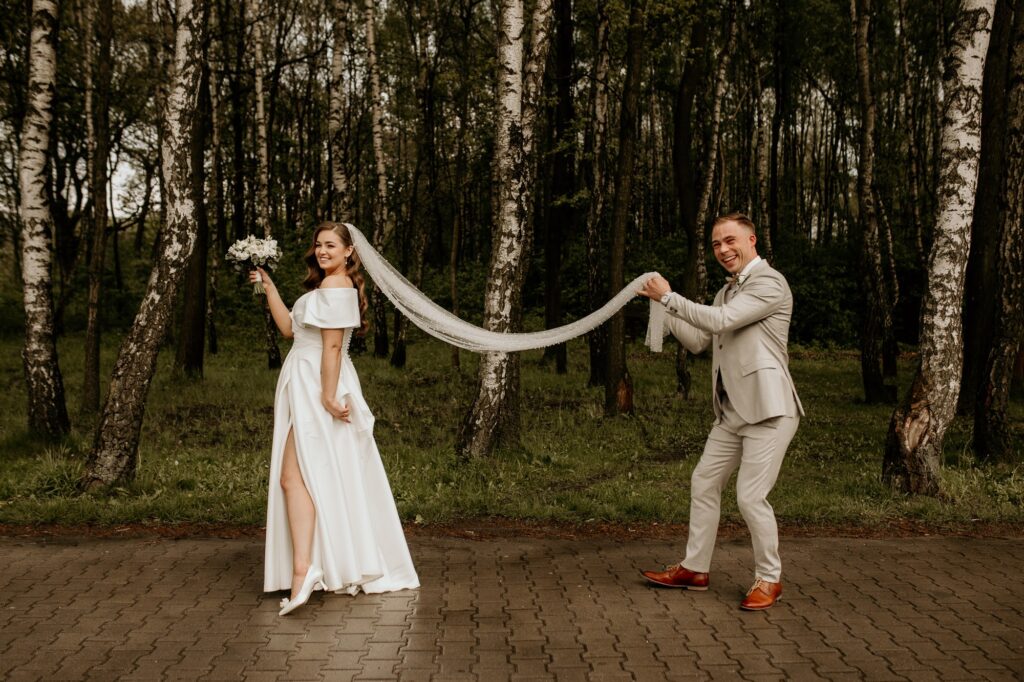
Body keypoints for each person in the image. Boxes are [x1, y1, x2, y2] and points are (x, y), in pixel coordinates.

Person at [637, 212, 803, 611]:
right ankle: (694, 569)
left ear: (751, 241)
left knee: (750, 496)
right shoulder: (725, 292)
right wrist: (666, 309)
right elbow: (699, 341)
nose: (723, 249)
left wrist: (670, 298)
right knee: (704, 482)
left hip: (768, 409)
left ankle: (769, 579)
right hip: (731, 413)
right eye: (716, 244)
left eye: (730, 241)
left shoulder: (769, 282)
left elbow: (724, 321)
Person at [252, 222, 419, 616]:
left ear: (348, 252)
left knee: (297, 477)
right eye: (318, 244)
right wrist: (269, 287)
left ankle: (305, 570)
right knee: (311, 477)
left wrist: (327, 396)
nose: (322, 250)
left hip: (317, 384)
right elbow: (290, 330)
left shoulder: (336, 285)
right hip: (306, 381)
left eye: (331, 245)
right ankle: (311, 566)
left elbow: (331, 348)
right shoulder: (326, 286)